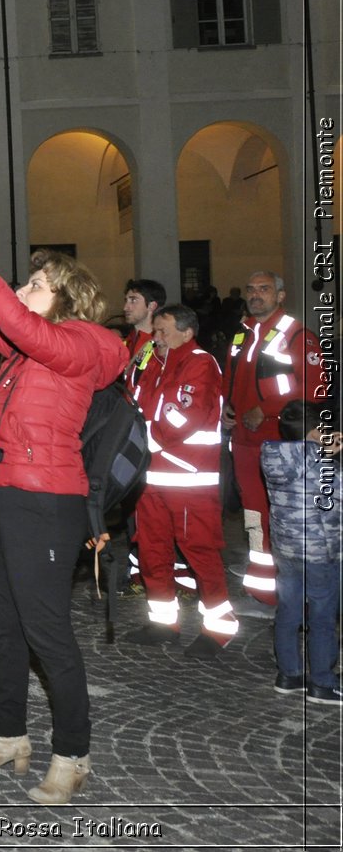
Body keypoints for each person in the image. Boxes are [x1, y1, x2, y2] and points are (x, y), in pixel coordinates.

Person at [0, 213, 128, 806]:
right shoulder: (26, 352)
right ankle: (6, 736)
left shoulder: (84, 345)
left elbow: (12, 319)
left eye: (35, 284)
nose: (21, 291)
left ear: (66, 298)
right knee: (0, 628)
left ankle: (73, 754)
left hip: (45, 501)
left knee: (47, 633)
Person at [127, 304, 236, 656]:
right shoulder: (153, 363)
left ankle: (219, 629)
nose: (156, 338)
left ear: (186, 332)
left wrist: (139, 439)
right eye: (154, 332)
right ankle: (163, 622)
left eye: (163, 331)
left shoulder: (200, 363)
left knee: (200, 553)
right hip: (152, 476)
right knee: (152, 550)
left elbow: (180, 418)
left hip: (189, 477)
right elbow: (133, 402)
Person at [222, 271, 327, 606]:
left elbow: (315, 389)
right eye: (251, 289)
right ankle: (263, 586)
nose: (256, 295)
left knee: (288, 516)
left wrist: (266, 410)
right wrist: (227, 407)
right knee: (254, 516)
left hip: (281, 443)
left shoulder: (297, 334)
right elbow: (232, 378)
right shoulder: (242, 334)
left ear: (280, 296)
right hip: (244, 442)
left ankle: (298, 590)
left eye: (264, 289)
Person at [262, 400, 343, 705]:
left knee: (288, 611)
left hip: (286, 548)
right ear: (314, 432)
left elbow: (304, 459)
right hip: (319, 552)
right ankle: (322, 682)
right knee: (322, 618)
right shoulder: (322, 464)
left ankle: (289, 675)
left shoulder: (273, 455)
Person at [121, 278, 166, 383]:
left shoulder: (161, 345)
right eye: (126, 301)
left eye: (133, 300)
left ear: (152, 306)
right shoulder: (127, 341)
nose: (125, 308)